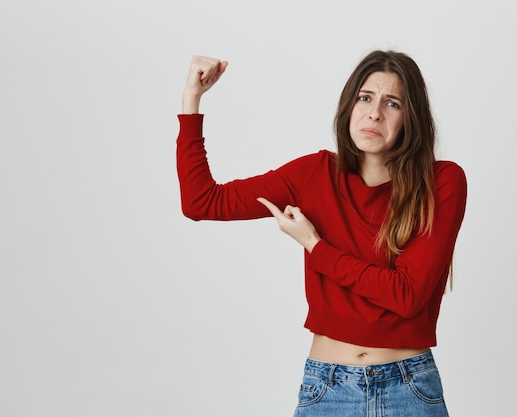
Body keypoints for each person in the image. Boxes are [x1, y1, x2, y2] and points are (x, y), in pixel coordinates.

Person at [176, 50, 467, 417]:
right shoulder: (314, 174)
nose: (374, 112)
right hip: (328, 390)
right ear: (349, 105)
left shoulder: (441, 181)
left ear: (411, 117)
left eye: (392, 103)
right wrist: (192, 100)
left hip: (408, 389)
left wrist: (315, 245)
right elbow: (202, 202)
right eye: (365, 97)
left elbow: (406, 295)